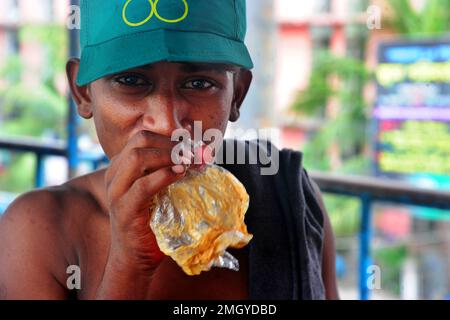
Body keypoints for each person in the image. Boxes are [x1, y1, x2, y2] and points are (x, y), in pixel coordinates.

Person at [0, 0, 339, 300]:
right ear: (83, 93)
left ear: (237, 95)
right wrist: (129, 264)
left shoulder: (288, 196)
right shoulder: (39, 231)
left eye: (199, 84)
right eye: (131, 81)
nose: (167, 124)